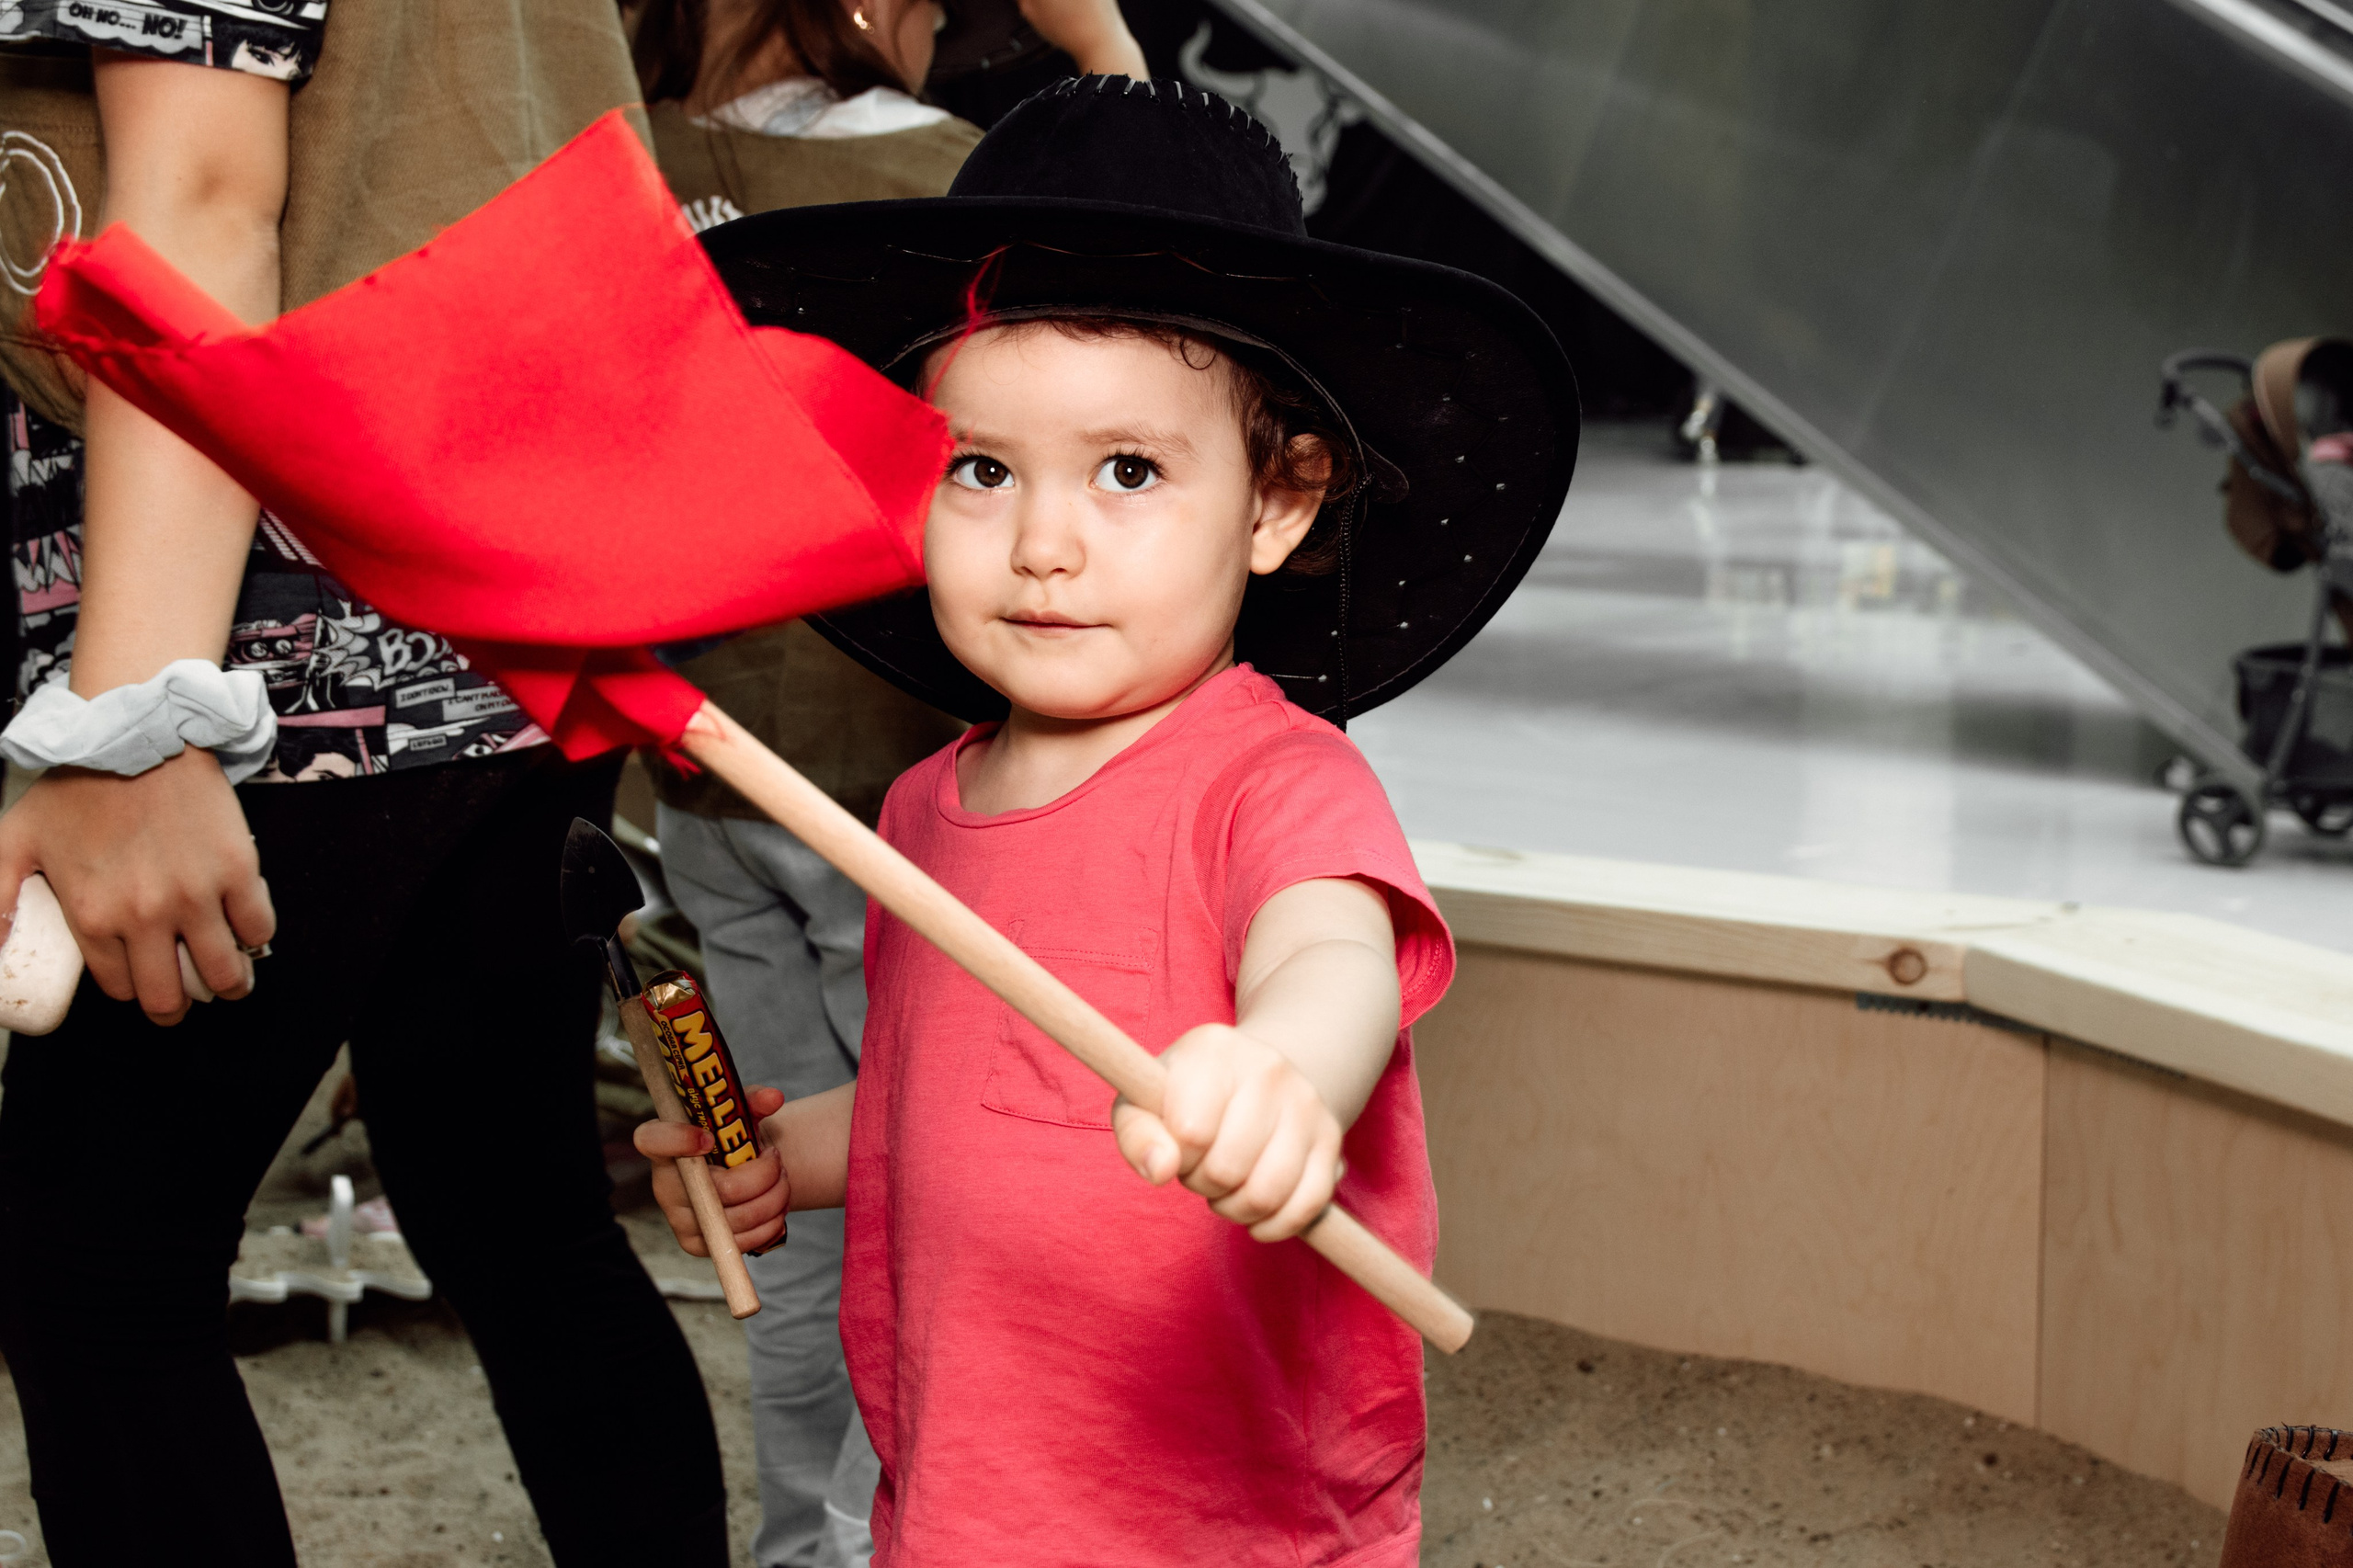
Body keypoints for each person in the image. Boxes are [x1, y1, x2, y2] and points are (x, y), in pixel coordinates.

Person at [640, 76, 1580, 1564]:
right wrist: (796, 1149)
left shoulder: (1277, 785)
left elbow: (1330, 957)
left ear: (1278, 502)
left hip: (1223, 1528)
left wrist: (1283, 1074)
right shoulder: (919, 809)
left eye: (1128, 470)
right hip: (962, 1502)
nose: (1042, 542)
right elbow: (955, 1092)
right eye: (981, 469)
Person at [0, 7, 733, 1564]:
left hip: (277, 585)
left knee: (99, 1261)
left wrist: (133, 725)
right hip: (523, 526)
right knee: (510, 1191)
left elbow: (201, 193)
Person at [628, 5, 1142, 1563]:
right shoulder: (951, 181)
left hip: (699, 768)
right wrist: (1103, 45)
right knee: (931, 1204)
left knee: (772, 1198)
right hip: (902, 794)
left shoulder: (619, 158)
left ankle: (804, 1541)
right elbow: (1183, 295)